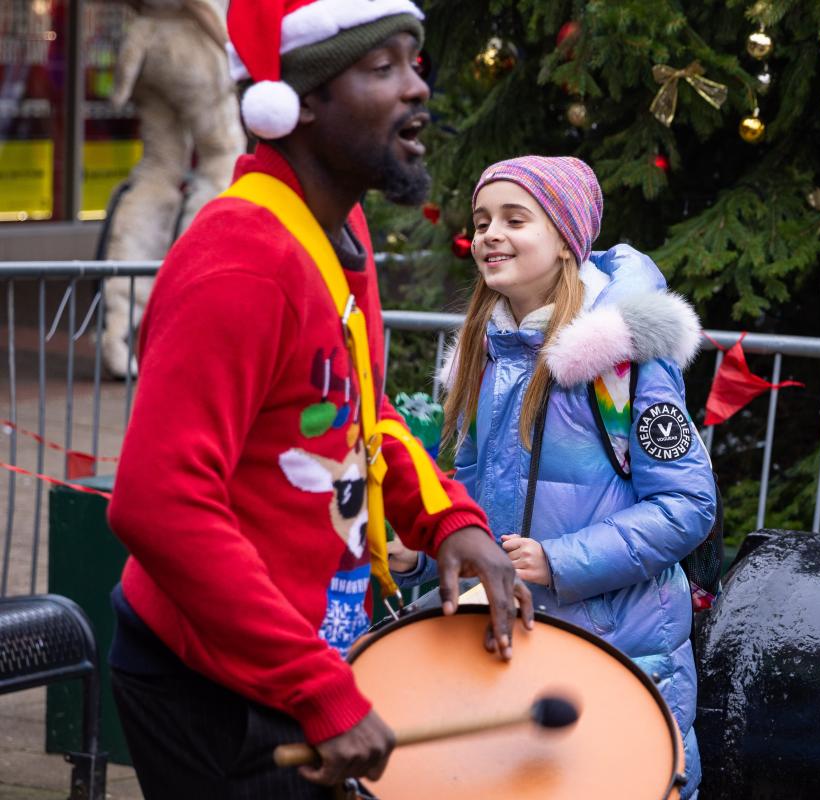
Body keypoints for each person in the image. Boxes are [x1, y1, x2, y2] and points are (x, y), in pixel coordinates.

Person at [104, 1, 533, 796]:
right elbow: (158, 504)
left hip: (288, 664)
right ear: (296, 104)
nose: (417, 89)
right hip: (211, 683)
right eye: (382, 69)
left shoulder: (341, 234)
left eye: (415, 62)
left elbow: (360, 419)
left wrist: (446, 521)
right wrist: (319, 689)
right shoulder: (240, 260)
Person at [389, 155, 717, 797]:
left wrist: (560, 559)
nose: (489, 234)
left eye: (516, 219)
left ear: (567, 240)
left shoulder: (623, 362)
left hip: (617, 647)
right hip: (514, 649)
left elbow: (686, 505)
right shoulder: (486, 354)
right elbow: (477, 499)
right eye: (482, 220)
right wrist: (425, 554)